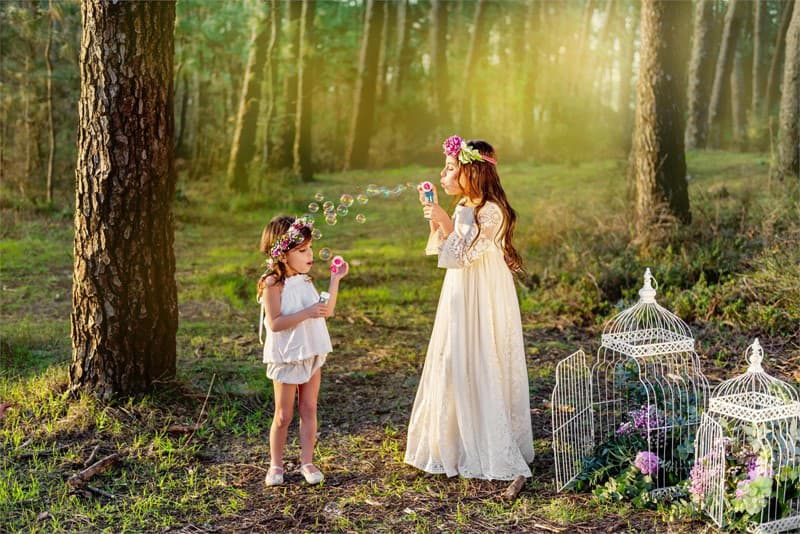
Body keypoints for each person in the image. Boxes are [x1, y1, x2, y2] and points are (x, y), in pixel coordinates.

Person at [404, 136, 535, 480]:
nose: (443, 175)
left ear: (471, 172)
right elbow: (447, 251)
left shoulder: (492, 211)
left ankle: (486, 438)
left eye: (450, 168)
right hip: (461, 293)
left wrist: (446, 222)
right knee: (455, 354)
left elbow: (466, 255)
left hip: (484, 295)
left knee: (481, 354)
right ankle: (455, 438)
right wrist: (436, 219)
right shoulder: (464, 204)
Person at [257, 215, 349, 486]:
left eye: (310, 249)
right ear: (283, 255)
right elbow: (275, 323)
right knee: (284, 415)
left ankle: (307, 461)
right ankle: (276, 465)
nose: (309, 255)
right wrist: (306, 312)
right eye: (301, 250)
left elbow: (326, 311)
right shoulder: (273, 284)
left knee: (309, 408)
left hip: (310, 350)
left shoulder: (307, 281)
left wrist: (335, 280)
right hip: (286, 355)